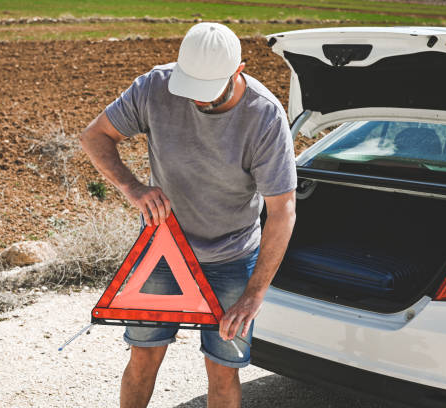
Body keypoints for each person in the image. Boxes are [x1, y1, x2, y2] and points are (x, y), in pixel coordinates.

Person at [80, 22, 296, 408]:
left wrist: (254, 294)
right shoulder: (155, 87)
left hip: (232, 258)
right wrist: (133, 188)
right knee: (143, 357)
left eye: (207, 92)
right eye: (190, 89)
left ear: (238, 71)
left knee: (222, 370)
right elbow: (95, 136)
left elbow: (282, 211)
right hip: (163, 253)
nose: (196, 101)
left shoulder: (264, 117)